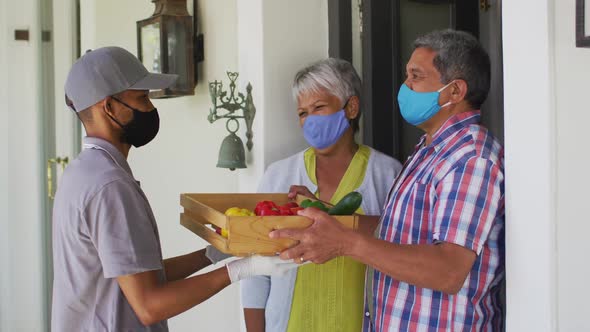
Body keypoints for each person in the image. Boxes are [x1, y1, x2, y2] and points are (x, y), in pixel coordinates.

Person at [51, 46, 300, 332]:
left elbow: (138, 277)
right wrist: (244, 270)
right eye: (142, 98)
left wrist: (213, 254)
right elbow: (149, 306)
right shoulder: (111, 186)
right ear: (109, 107)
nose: (151, 108)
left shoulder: (82, 172)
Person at [271, 30, 505, 331]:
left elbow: (448, 270)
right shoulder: (430, 150)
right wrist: (326, 215)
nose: (405, 87)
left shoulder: (470, 159)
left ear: (455, 91)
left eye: (415, 76)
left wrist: (345, 243)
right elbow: (396, 230)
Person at [241, 58, 402, 332]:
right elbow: (256, 271)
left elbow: (402, 247)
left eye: (318, 108)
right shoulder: (279, 176)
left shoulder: (387, 174)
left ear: (350, 107)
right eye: (303, 113)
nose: (309, 119)